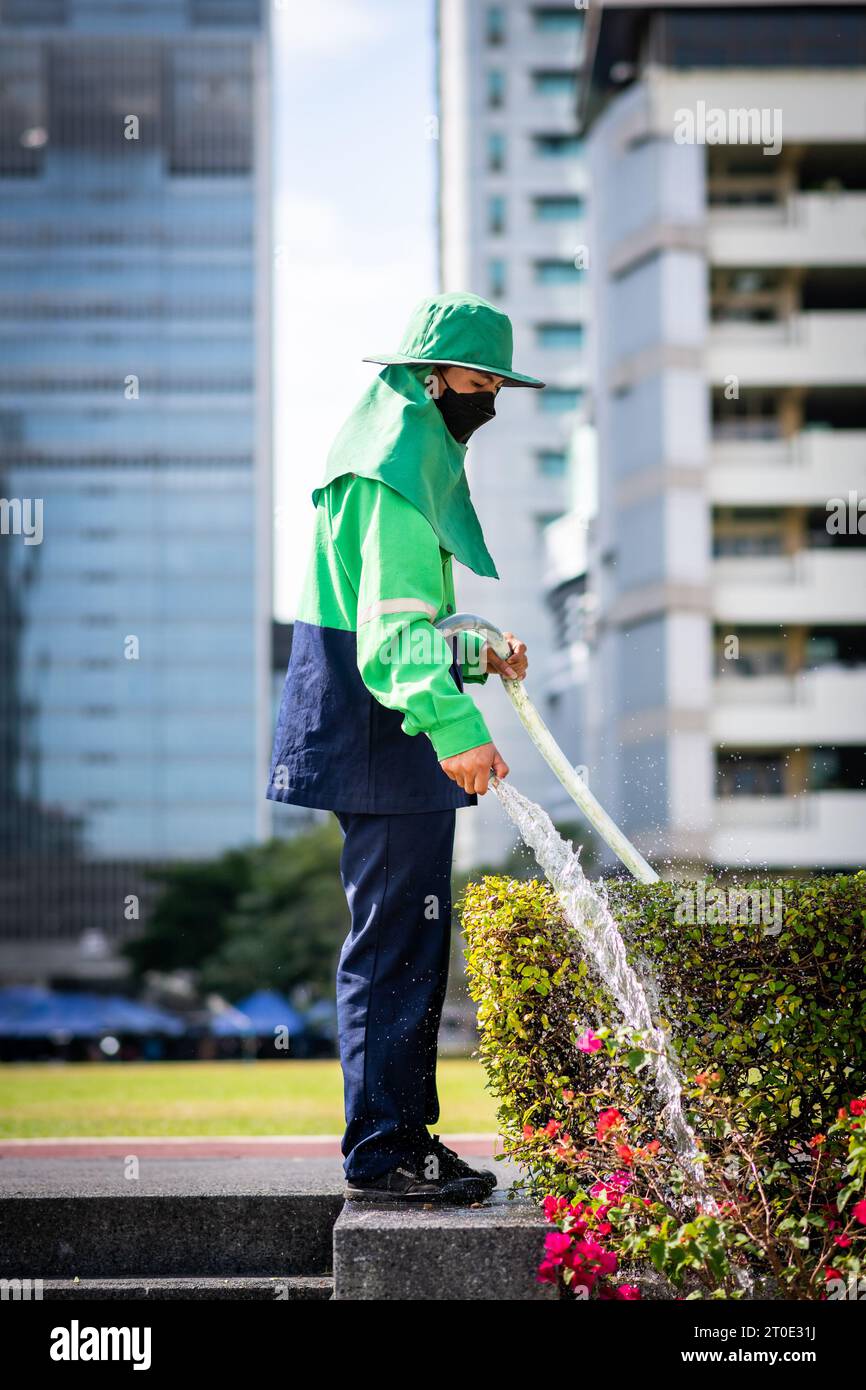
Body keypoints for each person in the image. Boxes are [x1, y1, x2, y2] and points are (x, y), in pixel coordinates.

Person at [267, 292, 544, 1203]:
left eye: (497, 385)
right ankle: (385, 1154)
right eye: (477, 381)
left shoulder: (397, 458)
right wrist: (458, 731)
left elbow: (404, 625)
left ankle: (406, 1139)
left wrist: (478, 650)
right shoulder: (391, 472)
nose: (489, 402)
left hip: (386, 728)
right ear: (430, 380)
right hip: (384, 737)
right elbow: (389, 642)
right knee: (392, 950)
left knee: (409, 948)